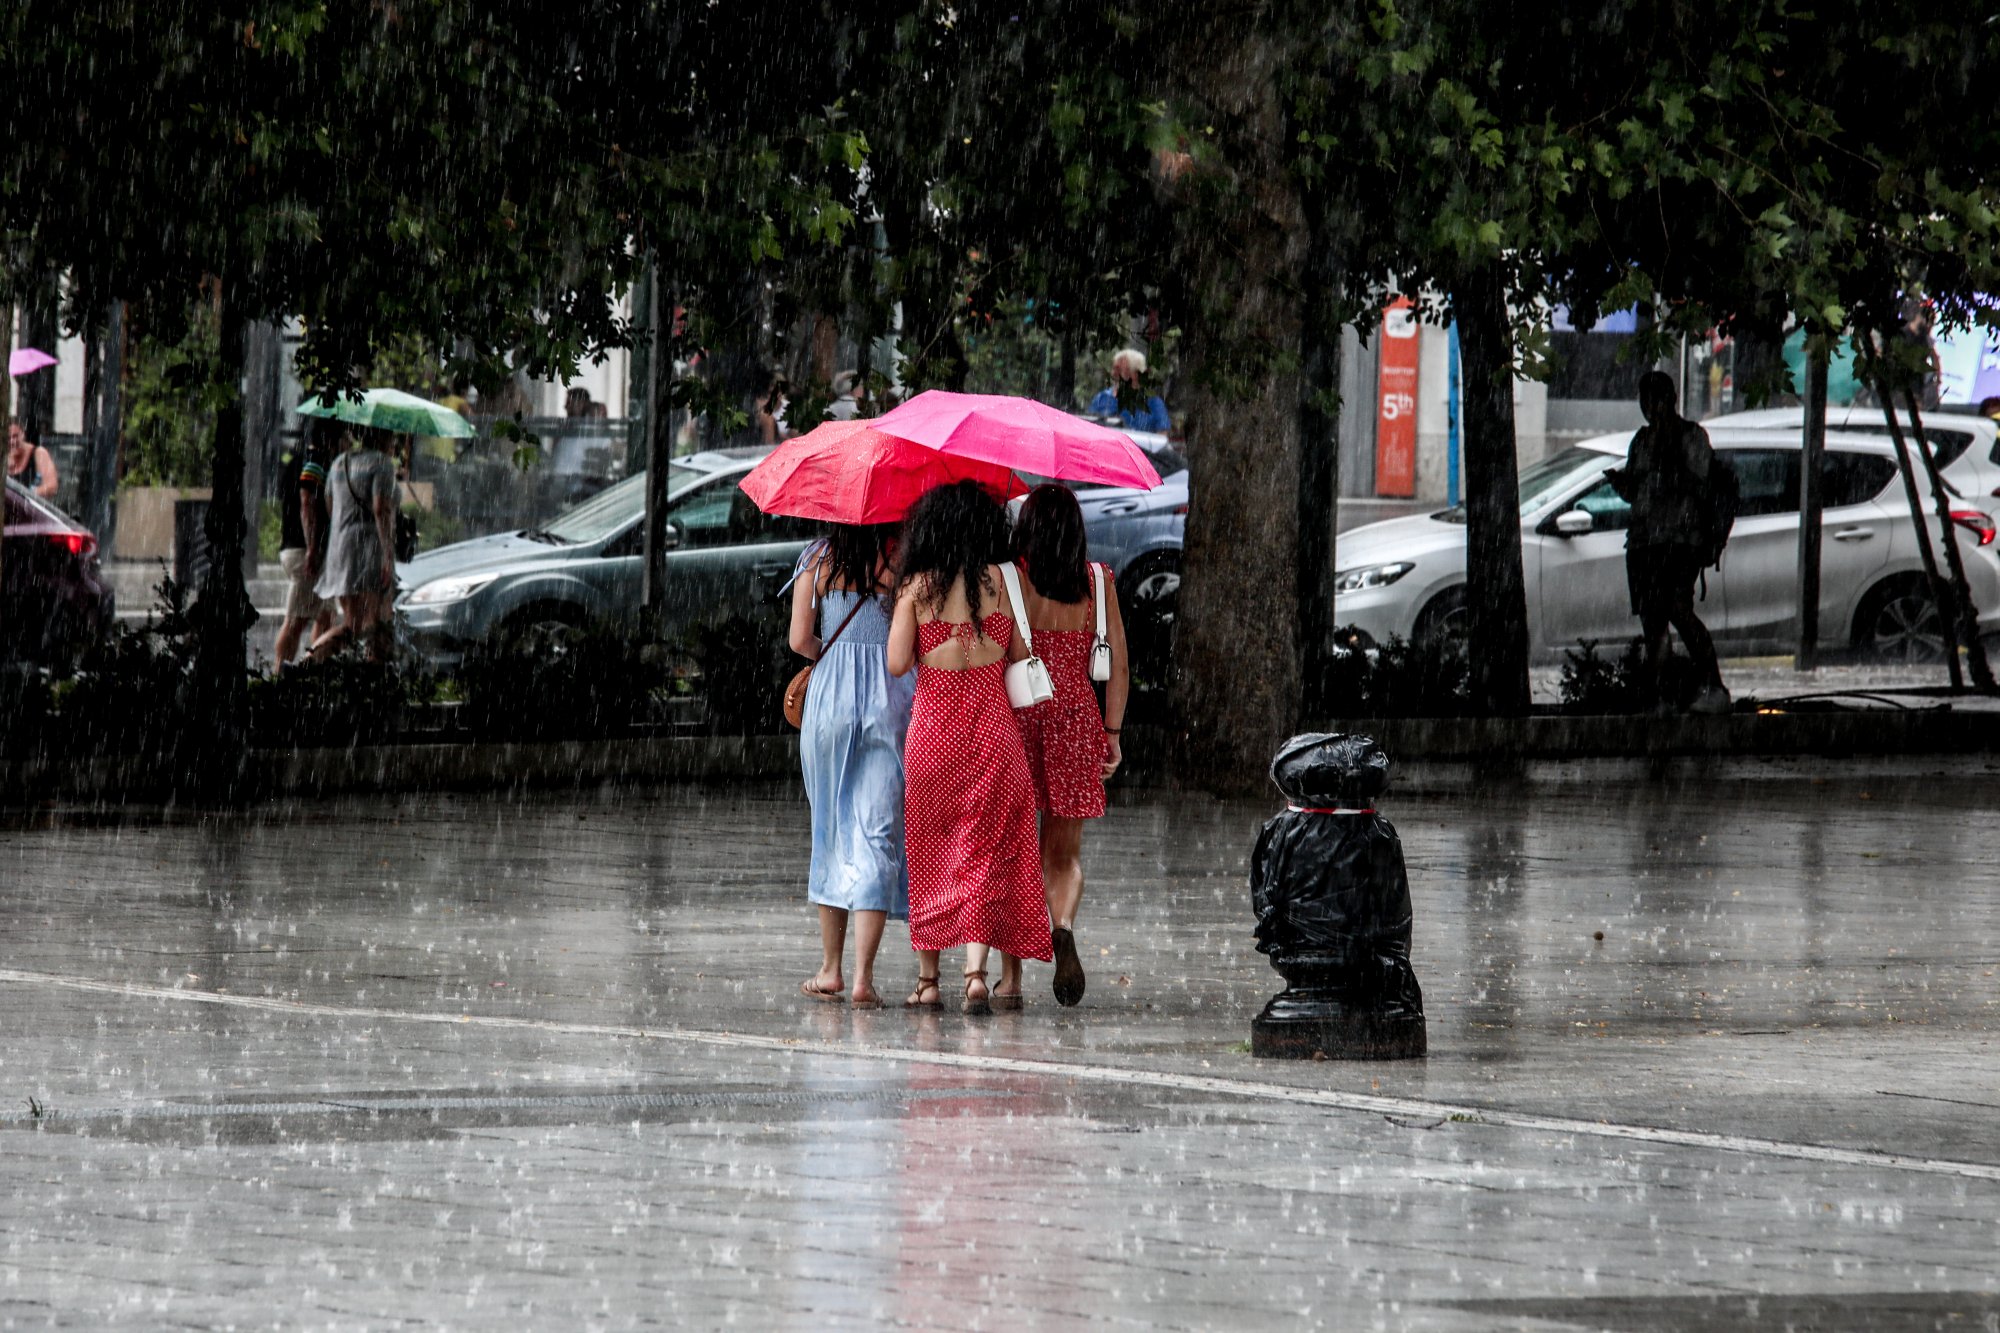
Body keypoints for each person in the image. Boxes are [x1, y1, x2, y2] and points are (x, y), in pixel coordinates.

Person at [887, 481, 1052, 1014]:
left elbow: (896, 662)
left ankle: (928, 981)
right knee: (985, 851)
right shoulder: (1004, 583)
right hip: (993, 736)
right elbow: (1020, 653)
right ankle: (976, 974)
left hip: (934, 739)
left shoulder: (916, 587)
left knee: (931, 851)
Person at [993, 485, 1128, 1008]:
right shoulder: (1097, 582)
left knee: (1013, 851)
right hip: (1075, 722)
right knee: (1063, 855)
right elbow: (1119, 666)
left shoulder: (1011, 580)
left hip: (1020, 717)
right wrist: (1111, 733)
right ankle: (1063, 926)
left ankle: (1010, 979)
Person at [788, 522, 916, 1009]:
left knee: (830, 829)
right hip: (891, 698)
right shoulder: (902, 561)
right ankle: (864, 976)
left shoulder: (817, 559)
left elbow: (799, 639)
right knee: (878, 833)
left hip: (830, 701)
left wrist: (835, 654)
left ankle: (831, 969)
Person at [1604, 370, 1729, 715]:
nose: (1650, 408)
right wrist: (1624, 484)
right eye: (1645, 400)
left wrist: (1667, 467)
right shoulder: (1641, 440)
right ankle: (1660, 696)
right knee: (1653, 621)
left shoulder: (1691, 436)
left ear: (1671, 399)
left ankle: (1714, 686)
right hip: (1643, 541)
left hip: (1679, 540)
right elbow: (1636, 491)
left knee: (1679, 610)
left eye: (1656, 399)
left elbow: (1700, 485)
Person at [310, 427, 399, 664]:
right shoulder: (381, 463)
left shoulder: (340, 463)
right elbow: (381, 509)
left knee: (354, 624)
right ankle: (374, 676)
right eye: (393, 438)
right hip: (368, 552)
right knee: (376, 624)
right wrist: (387, 555)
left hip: (340, 550)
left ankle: (305, 664)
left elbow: (330, 505)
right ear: (384, 438)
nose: (395, 444)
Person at [272, 423, 337, 673]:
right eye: (344, 437)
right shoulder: (314, 461)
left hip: (303, 550)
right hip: (305, 552)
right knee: (296, 620)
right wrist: (312, 547)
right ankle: (279, 674)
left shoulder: (298, 461)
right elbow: (306, 503)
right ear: (331, 439)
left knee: (325, 616)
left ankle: (313, 671)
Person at [1087, 349, 1170, 434]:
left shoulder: (1153, 403)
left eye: (1119, 369)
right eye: (1114, 368)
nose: (1113, 373)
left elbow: (1162, 435)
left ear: (1136, 373)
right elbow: (1088, 429)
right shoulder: (1102, 398)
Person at [5, 419, 58, 499]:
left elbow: (52, 487)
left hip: (28, 504)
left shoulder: (38, 453)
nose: (12, 441)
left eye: (15, 436)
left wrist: (25, 494)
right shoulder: (3, 455)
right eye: (8, 438)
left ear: (23, 434)